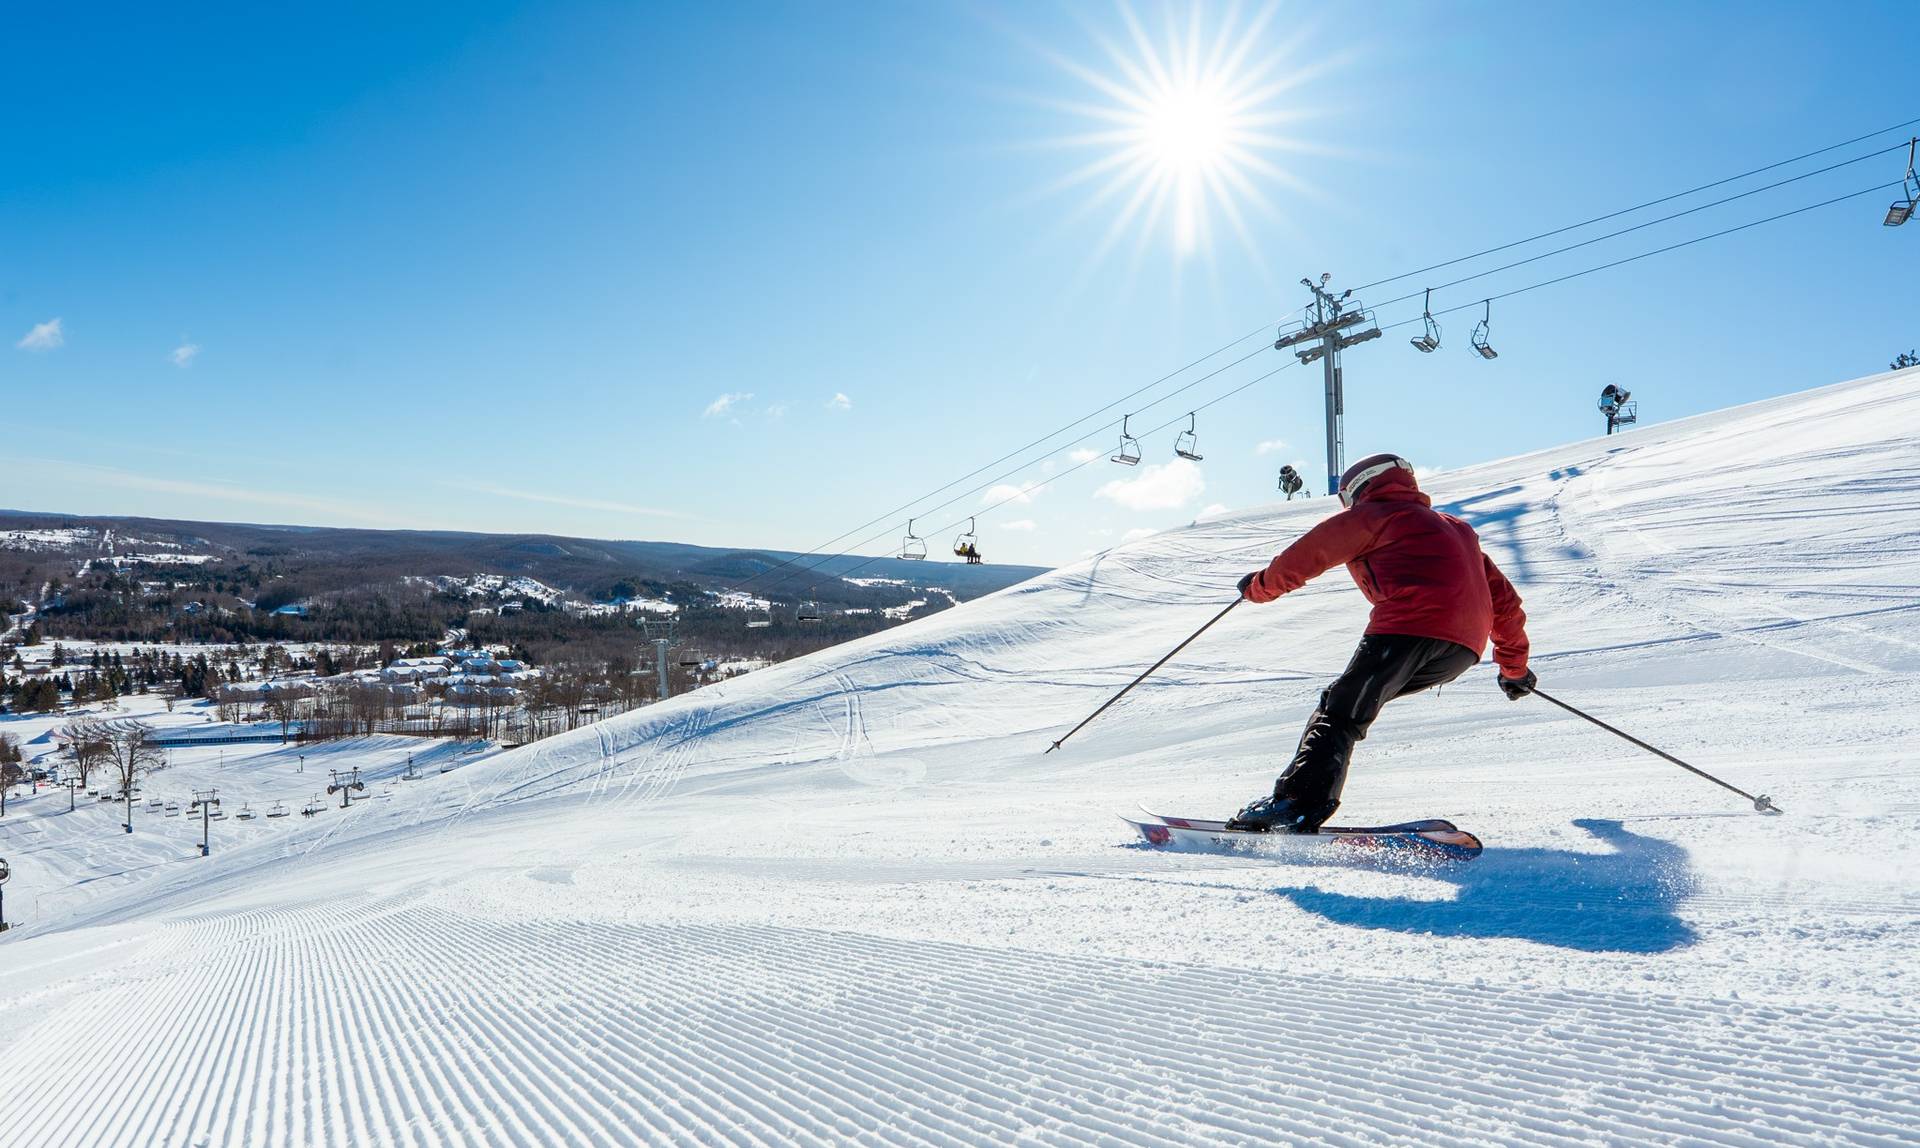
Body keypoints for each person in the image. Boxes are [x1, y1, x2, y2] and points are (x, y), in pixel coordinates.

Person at [1226, 453, 1534, 833]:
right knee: (1349, 703)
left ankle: (1296, 804)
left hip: (1407, 630)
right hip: (1460, 652)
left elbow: (1311, 552)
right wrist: (1513, 668)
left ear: (1357, 490)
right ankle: (1299, 801)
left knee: (1340, 713)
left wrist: (1259, 587)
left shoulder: (1376, 515)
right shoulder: (1457, 530)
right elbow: (1504, 601)